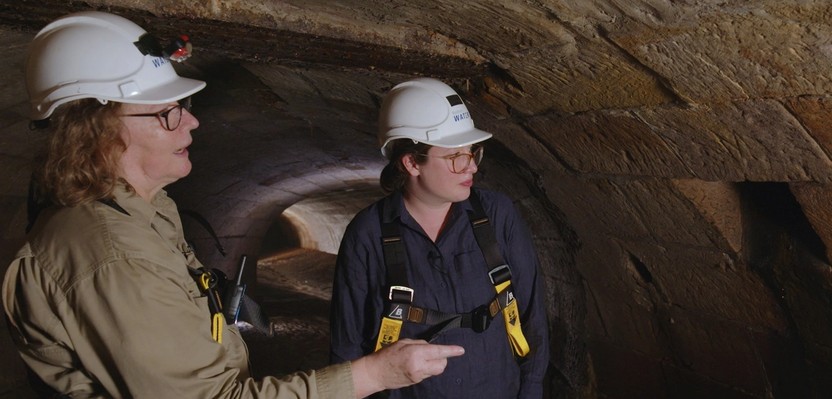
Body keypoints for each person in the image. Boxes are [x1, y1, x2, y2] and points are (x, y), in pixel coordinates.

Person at [1, 11, 464, 399]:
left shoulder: (142, 209)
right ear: (98, 130)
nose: (192, 122)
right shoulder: (112, 257)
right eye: (168, 113)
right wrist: (376, 375)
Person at [329, 77, 550, 398]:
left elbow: (532, 316)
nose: (471, 166)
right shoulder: (368, 234)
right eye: (455, 156)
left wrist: (531, 391)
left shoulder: (497, 215)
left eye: (473, 152)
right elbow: (346, 347)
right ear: (411, 163)